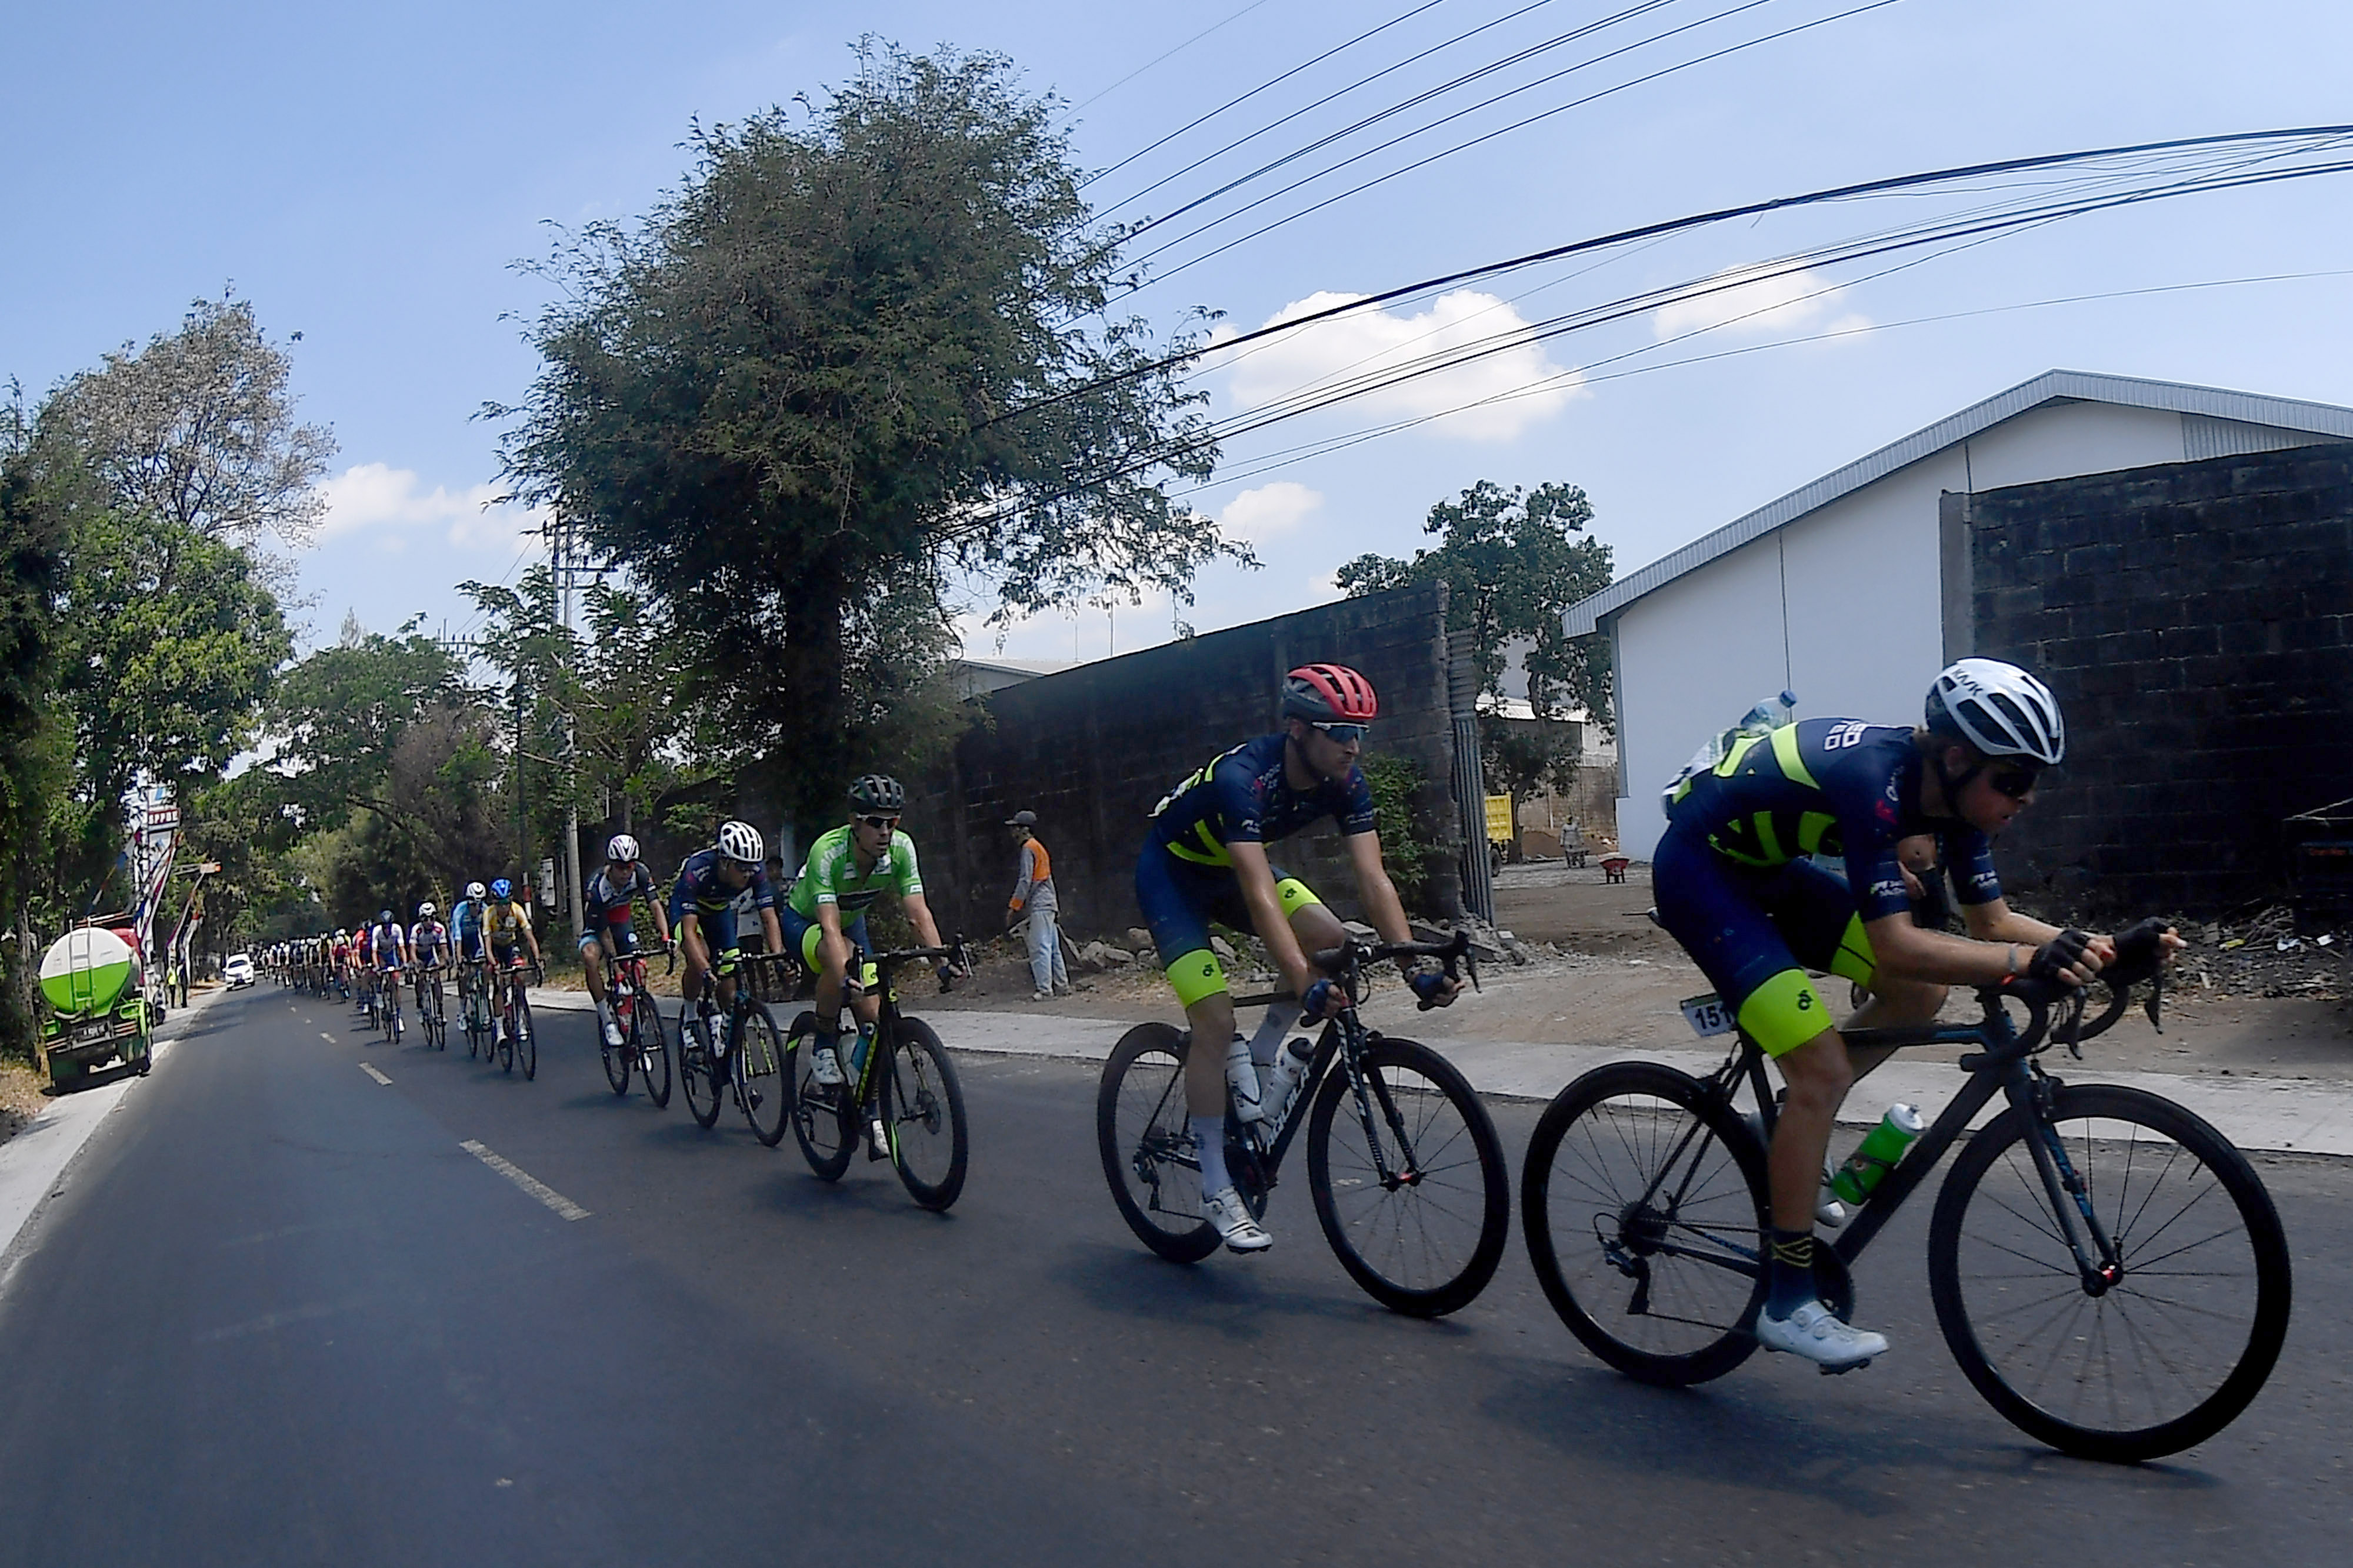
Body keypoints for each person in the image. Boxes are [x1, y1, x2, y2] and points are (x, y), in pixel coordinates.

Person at [1651, 658, 2181, 1369]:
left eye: (2034, 782)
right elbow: (1897, 942)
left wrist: (2107, 951)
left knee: (1919, 996)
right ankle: (1786, 1300)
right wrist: (2033, 964)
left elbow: (1989, 922)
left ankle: (1778, 1123)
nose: (2025, 799)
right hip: (1701, 872)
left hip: (1770, 869)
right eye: (2015, 779)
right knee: (1822, 1067)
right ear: (1958, 758)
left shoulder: (1952, 801)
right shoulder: (1875, 779)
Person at [1135, 663, 1461, 1254]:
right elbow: (1260, 894)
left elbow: (1373, 877)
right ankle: (1215, 1183)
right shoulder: (1245, 777)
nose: (1352, 745)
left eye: (1360, 730)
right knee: (1213, 1021)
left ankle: (1262, 1055)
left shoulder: (1347, 781)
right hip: (1174, 875)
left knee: (1335, 943)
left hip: (1235, 871)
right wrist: (1300, 979)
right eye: (1338, 730)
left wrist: (1413, 966)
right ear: (1297, 729)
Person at [781, 777, 959, 1117]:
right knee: (842, 958)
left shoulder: (902, 849)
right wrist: (845, 970)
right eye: (875, 822)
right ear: (854, 822)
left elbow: (918, 912)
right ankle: (822, 1045)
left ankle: (861, 1090)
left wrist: (940, 963)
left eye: (892, 822)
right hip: (805, 922)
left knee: (874, 1014)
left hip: (851, 922)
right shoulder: (828, 851)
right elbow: (830, 926)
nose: (885, 831)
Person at [668, 820, 784, 1062]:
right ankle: (690, 1020)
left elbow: (769, 916)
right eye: (741, 867)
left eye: (752, 868)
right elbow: (689, 933)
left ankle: (723, 1026)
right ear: (724, 861)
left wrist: (778, 957)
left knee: (729, 979)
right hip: (688, 913)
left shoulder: (755, 871)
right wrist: (703, 968)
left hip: (719, 913)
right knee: (700, 954)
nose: (747, 873)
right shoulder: (697, 870)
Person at [581, 834, 672, 1047]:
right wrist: (616, 966)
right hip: (597, 927)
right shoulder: (597, 887)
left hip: (622, 922)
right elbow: (604, 934)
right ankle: (608, 1022)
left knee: (639, 968)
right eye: (620, 867)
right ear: (611, 865)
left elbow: (655, 906)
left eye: (629, 866)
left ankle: (636, 1019)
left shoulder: (641, 873)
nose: (625, 872)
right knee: (591, 957)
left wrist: (666, 937)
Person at [1004, 809, 1069, 1001]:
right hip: (1049, 902)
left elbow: (1025, 880)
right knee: (1053, 947)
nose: (1012, 831)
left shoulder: (1028, 848)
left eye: (1015, 827)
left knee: (1039, 946)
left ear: (1025, 829)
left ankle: (1045, 989)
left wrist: (1014, 906)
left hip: (1040, 904)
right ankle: (1062, 985)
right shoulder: (1039, 847)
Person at [482, 878, 543, 1040]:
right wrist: (494, 964)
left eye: (506, 903)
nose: (503, 907)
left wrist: (537, 958)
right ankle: (500, 1029)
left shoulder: (517, 910)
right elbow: (487, 946)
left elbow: (530, 938)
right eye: (499, 904)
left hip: (510, 946)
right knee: (500, 984)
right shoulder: (488, 914)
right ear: (494, 902)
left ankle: (521, 1020)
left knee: (520, 976)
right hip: (495, 949)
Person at [409, 902, 449, 1012]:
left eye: (432, 918)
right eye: (426, 919)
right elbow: (412, 950)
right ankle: (419, 998)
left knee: (436, 977)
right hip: (419, 954)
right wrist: (416, 963)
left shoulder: (439, 928)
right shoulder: (416, 930)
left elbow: (443, 948)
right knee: (421, 977)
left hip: (431, 953)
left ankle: (440, 1004)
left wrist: (445, 961)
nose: (429, 922)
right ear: (421, 919)